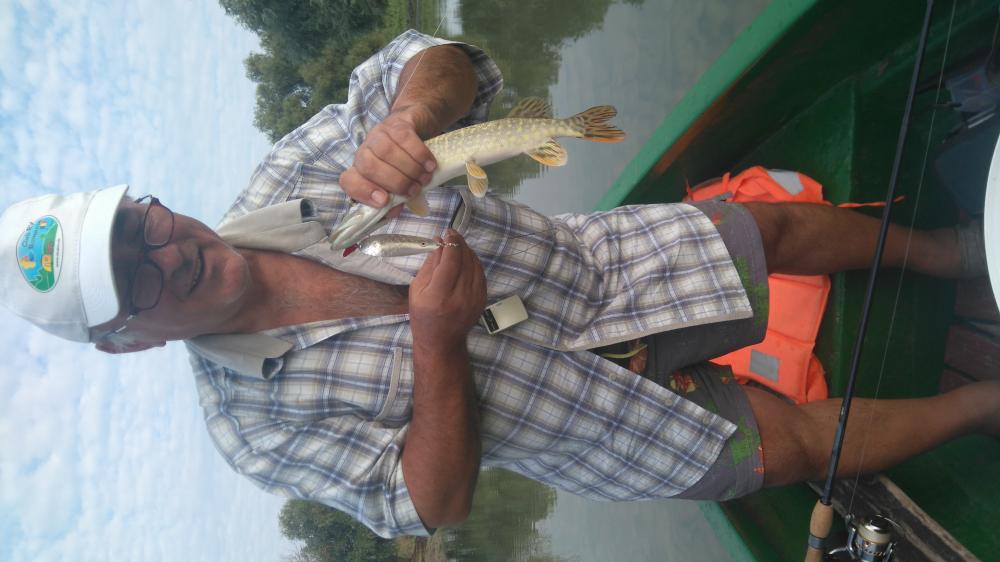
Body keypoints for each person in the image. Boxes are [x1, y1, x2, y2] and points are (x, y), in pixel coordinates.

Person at [1, 30, 997, 538]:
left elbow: (436, 62)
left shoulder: (287, 173)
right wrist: (438, 342)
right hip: (595, 431)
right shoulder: (249, 432)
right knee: (795, 446)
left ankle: (953, 254)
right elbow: (427, 505)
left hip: (604, 270)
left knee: (767, 227)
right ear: (127, 341)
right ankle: (986, 402)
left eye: (138, 225)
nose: (165, 252)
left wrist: (413, 114)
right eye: (133, 281)